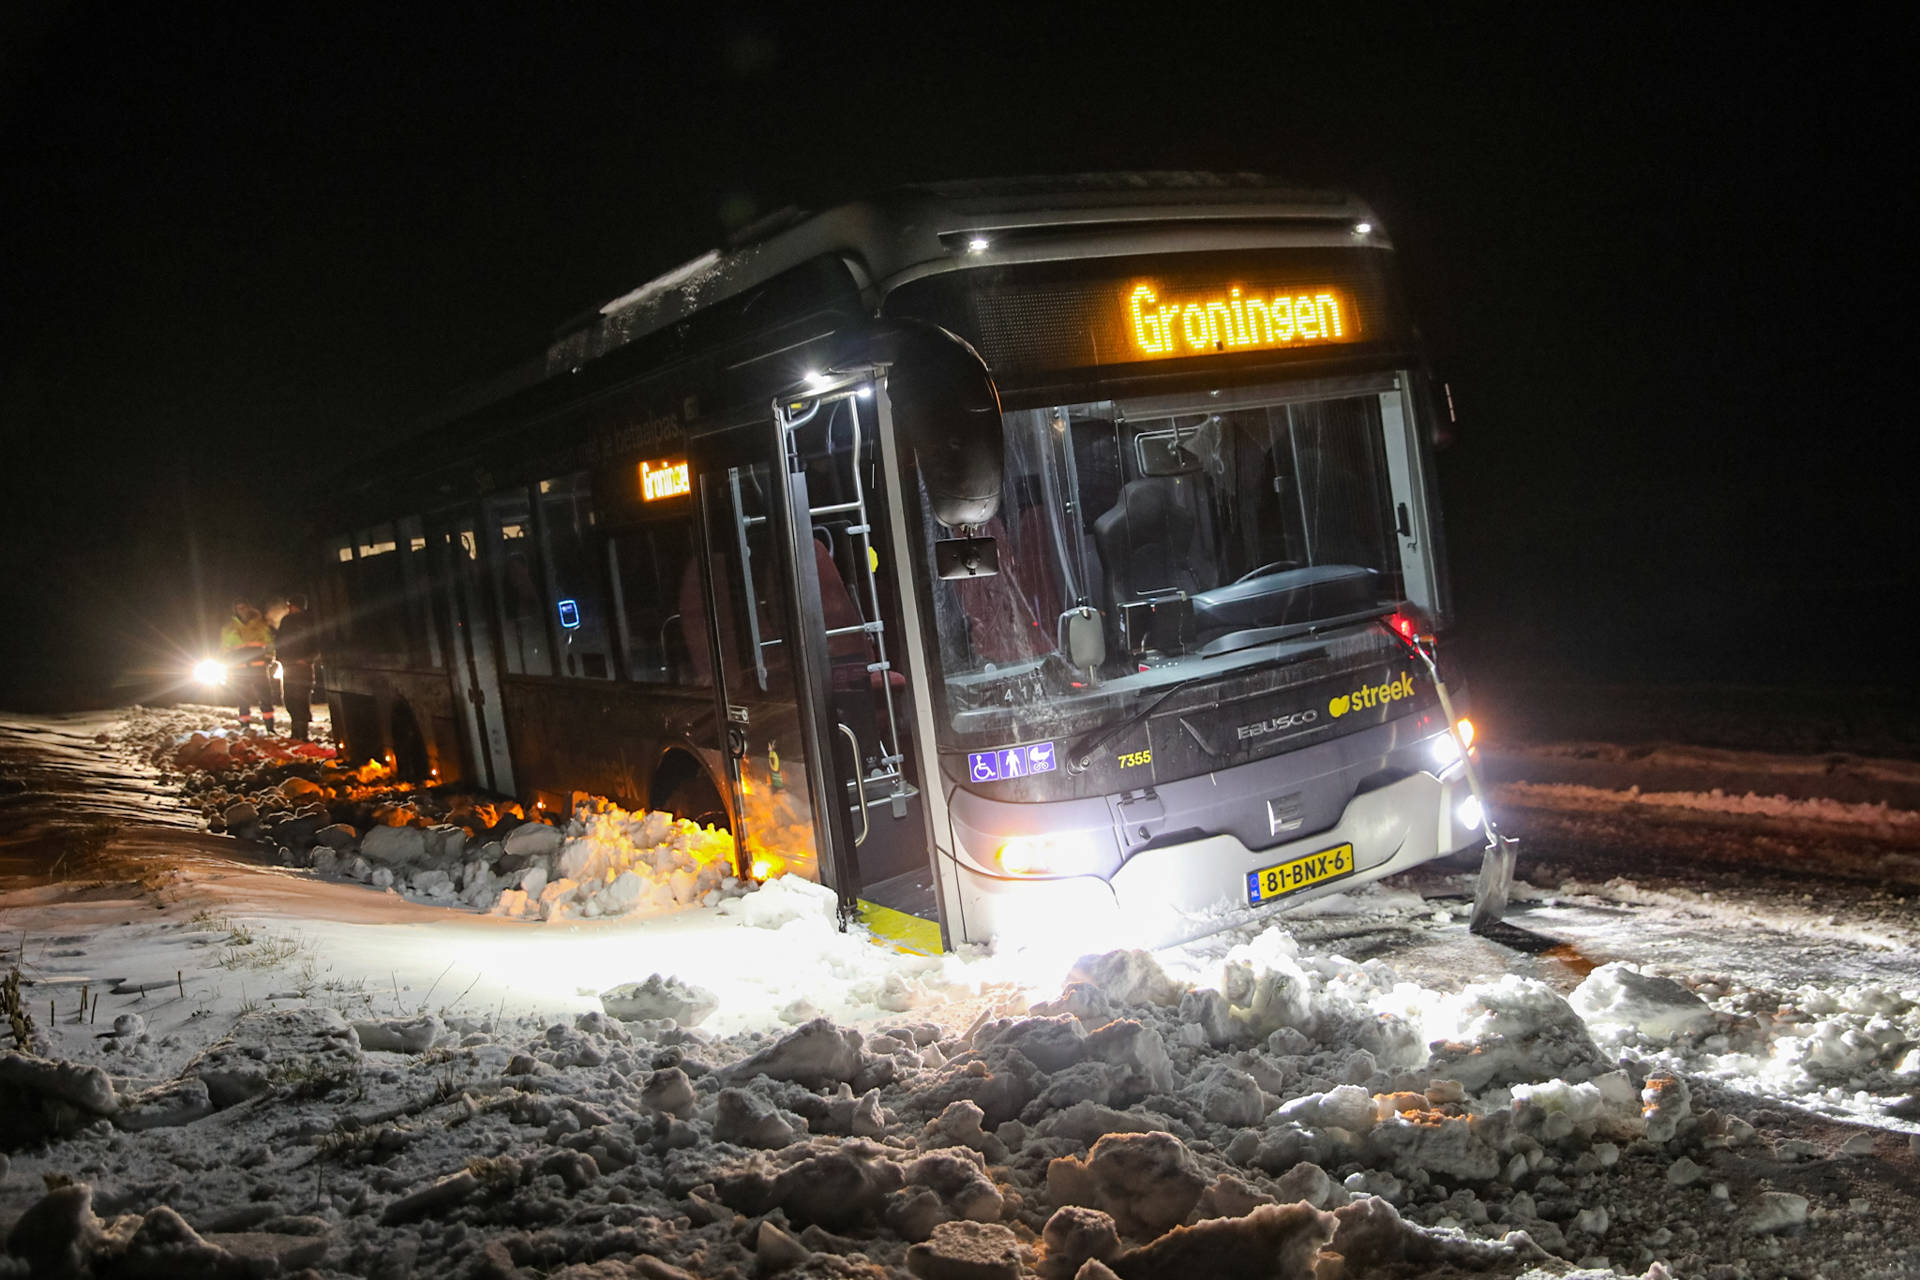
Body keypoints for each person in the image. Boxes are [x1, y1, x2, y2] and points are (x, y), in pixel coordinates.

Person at [219, 599, 275, 729]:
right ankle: (245, 727)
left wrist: (270, 657)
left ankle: (270, 728)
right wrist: (226, 665)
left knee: (266, 699)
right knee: (242, 701)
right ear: (235, 610)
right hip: (239, 669)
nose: (242, 610)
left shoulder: (261, 624)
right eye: (239, 608)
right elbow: (224, 649)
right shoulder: (228, 628)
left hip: (259, 667)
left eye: (244, 607)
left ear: (249, 608)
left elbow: (270, 643)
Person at [272, 593, 319, 742]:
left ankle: (303, 734)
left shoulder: (309, 621)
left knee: (301, 698)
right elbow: (280, 641)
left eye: (291, 605)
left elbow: (317, 643)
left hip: (303, 667)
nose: (289, 608)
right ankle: (295, 732)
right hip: (289, 666)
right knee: (289, 698)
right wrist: (280, 659)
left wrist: (308, 659)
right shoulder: (286, 621)